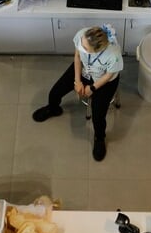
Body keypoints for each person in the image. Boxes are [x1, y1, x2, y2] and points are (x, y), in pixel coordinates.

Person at [31, 24, 123, 162]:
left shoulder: (113, 54)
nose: (80, 46)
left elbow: (108, 75)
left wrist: (92, 88)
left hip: (104, 81)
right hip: (85, 69)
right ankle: (53, 108)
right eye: (81, 43)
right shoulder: (82, 35)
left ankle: (99, 138)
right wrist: (77, 81)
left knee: (98, 115)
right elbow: (77, 57)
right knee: (55, 92)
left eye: (85, 48)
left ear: (97, 50)